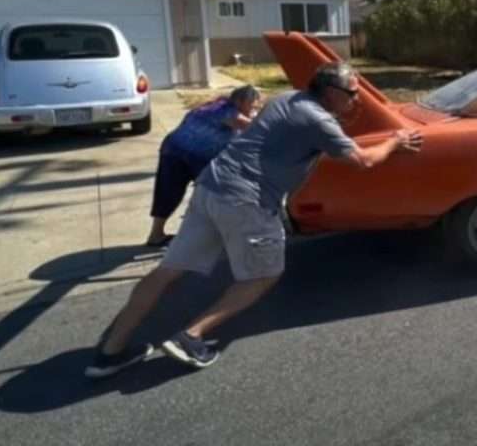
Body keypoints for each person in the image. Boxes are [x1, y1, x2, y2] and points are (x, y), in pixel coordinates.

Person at [85, 62, 423, 378]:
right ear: (332, 92)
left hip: (211, 186)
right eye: (352, 92)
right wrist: (395, 141)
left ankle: (110, 352)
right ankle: (190, 336)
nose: (356, 98)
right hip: (247, 200)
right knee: (264, 275)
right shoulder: (318, 120)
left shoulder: (287, 98)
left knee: (168, 270)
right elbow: (363, 161)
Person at [146, 85, 261, 246]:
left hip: (175, 150)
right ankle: (215, 233)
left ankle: (156, 234)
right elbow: (250, 126)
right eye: (253, 105)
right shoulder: (228, 111)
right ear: (240, 101)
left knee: (170, 192)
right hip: (187, 154)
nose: (255, 109)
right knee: (213, 192)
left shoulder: (216, 104)